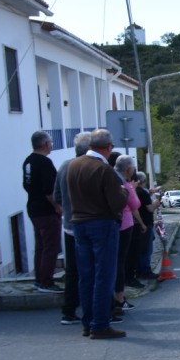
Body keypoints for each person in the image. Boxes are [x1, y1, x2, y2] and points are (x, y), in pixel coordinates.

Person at [67, 129, 128, 339]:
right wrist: (124, 192)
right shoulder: (104, 170)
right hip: (102, 224)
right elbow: (117, 203)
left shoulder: (73, 165)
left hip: (79, 223)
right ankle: (100, 324)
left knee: (86, 276)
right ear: (109, 147)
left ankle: (88, 322)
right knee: (104, 275)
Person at [53, 132, 93, 325]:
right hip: (90, 225)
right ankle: (99, 310)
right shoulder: (90, 167)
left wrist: (67, 210)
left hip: (69, 225)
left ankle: (69, 311)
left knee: (72, 270)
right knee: (95, 269)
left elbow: (57, 196)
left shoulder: (64, 166)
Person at [22, 130, 63, 292]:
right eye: (50, 143)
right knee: (50, 247)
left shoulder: (28, 161)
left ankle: (39, 279)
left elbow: (26, 185)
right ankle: (46, 281)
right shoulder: (44, 163)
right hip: (46, 210)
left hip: (33, 207)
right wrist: (57, 206)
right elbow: (48, 190)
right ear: (45, 144)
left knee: (40, 246)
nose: (51, 145)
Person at [113, 155, 142, 313]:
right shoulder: (124, 183)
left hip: (113, 224)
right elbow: (135, 203)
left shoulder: (112, 176)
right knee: (120, 263)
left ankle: (116, 298)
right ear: (129, 169)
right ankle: (119, 298)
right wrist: (133, 189)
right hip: (123, 225)